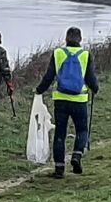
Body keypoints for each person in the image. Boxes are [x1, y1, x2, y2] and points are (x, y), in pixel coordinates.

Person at [35, 26, 99, 179]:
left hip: (61, 100)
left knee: (60, 134)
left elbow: (49, 76)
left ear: (66, 39)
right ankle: (76, 155)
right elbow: (90, 78)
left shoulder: (58, 53)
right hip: (80, 100)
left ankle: (59, 168)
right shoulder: (85, 54)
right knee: (82, 130)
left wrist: (39, 90)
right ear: (80, 39)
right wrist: (95, 88)